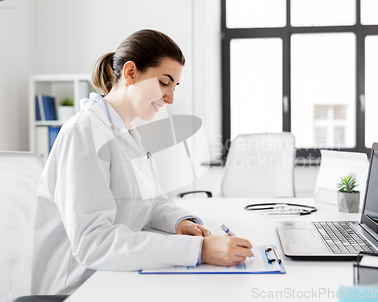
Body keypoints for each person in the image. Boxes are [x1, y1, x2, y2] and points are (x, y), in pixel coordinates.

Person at [31, 29, 252, 295]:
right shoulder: (84, 132)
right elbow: (93, 243)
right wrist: (199, 250)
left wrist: (179, 222)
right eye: (163, 82)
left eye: (174, 86)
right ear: (130, 73)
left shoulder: (128, 132)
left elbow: (149, 201)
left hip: (114, 274)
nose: (170, 98)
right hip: (78, 288)